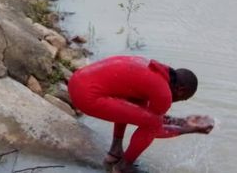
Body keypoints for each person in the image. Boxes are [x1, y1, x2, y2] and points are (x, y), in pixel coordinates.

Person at [69, 56, 213, 173]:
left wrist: (182, 121)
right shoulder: (164, 94)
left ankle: (115, 151)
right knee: (151, 123)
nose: (178, 101)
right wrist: (189, 129)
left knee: (134, 103)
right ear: (181, 89)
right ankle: (123, 166)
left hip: (76, 82)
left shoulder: (154, 71)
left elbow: (137, 111)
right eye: (183, 99)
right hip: (87, 97)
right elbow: (155, 128)